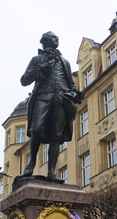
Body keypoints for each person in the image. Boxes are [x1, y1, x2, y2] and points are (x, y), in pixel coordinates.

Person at [20, 31, 83, 182]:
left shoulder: (64, 61)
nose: (57, 39)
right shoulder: (37, 59)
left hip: (61, 99)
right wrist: (40, 71)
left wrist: (75, 93)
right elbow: (24, 80)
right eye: (54, 38)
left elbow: (71, 84)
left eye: (57, 38)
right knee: (36, 129)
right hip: (42, 96)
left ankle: (51, 172)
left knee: (56, 135)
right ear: (45, 41)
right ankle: (32, 163)